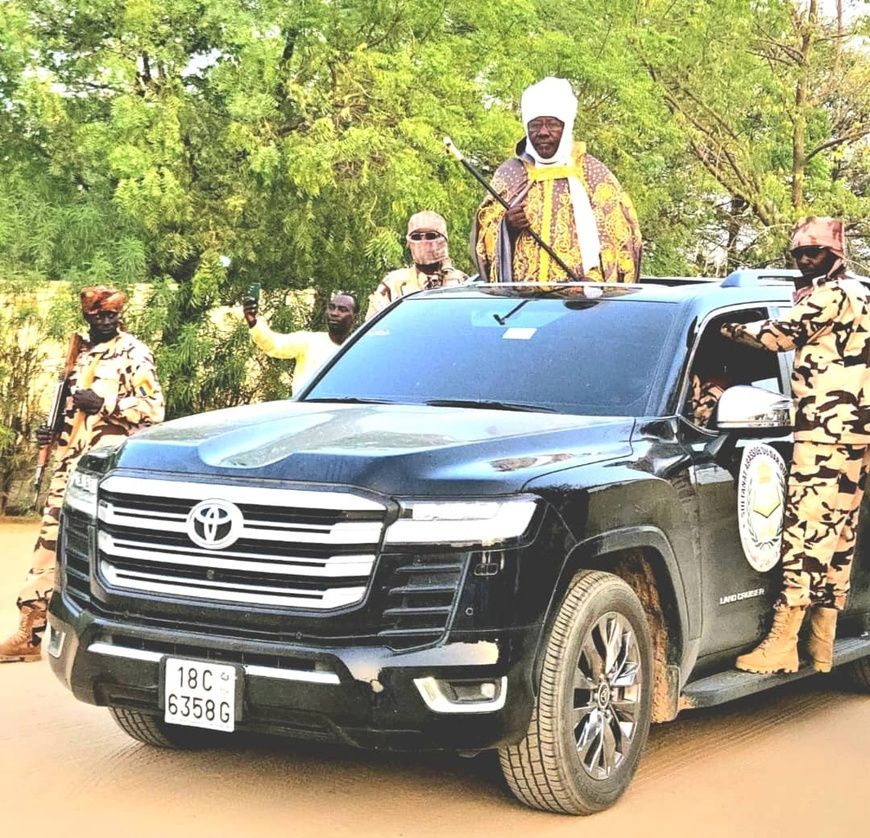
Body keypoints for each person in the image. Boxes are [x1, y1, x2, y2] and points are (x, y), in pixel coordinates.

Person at [720, 217, 870, 675]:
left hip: (826, 431)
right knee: (838, 534)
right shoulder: (862, 293)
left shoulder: (832, 295)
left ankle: (783, 643)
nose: (805, 261)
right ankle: (821, 645)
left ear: (835, 254)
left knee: (806, 532)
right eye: (799, 254)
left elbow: (778, 337)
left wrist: (725, 332)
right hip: (854, 431)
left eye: (815, 253)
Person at [0, 286, 165, 663]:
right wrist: (50, 433)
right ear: (87, 316)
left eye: (112, 314)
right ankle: (29, 633)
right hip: (69, 465)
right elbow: (72, 417)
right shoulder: (78, 356)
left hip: (108, 472)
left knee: (112, 552)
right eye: (99, 315)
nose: (107, 320)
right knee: (47, 546)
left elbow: (154, 410)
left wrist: (104, 402)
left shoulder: (133, 353)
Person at [472, 76, 642, 284]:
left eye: (552, 124)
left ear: (566, 125)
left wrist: (596, 279)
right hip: (520, 306)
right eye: (535, 125)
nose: (543, 132)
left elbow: (619, 239)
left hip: (581, 306)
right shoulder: (509, 175)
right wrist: (507, 227)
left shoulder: (594, 174)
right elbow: (484, 238)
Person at [244, 291, 357, 393]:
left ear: (354, 318)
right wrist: (253, 322)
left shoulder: (359, 351)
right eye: (331, 307)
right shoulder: (309, 341)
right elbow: (274, 344)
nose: (334, 313)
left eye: (342, 310)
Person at [365, 211, 467, 320]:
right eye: (416, 237)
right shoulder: (394, 283)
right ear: (408, 242)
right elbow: (375, 325)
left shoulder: (461, 281)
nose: (423, 241)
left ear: (443, 240)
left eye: (431, 236)